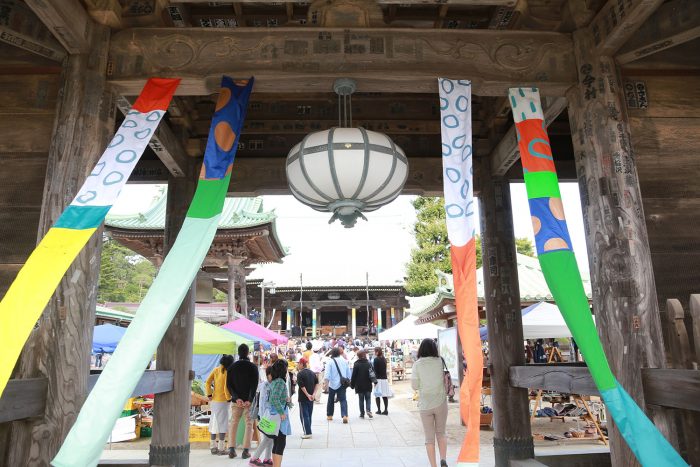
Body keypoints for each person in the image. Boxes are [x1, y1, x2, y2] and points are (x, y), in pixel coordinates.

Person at [411, 339, 449, 467]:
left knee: (429, 438)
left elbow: (414, 386)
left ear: (421, 349)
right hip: (441, 402)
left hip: (425, 404)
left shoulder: (417, 364)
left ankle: (434, 465)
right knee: (441, 433)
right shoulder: (440, 361)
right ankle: (443, 459)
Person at [226, 344, 259, 459]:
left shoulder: (231, 367)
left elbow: (229, 386)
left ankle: (231, 448)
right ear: (248, 352)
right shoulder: (253, 367)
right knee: (249, 424)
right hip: (248, 402)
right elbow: (254, 385)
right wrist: (249, 399)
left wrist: (236, 397)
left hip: (236, 401)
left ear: (238, 353)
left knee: (234, 423)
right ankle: (245, 450)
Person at [205, 354, 233, 455]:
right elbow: (226, 388)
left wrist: (209, 394)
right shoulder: (228, 372)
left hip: (214, 400)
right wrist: (229, 398)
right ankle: (221, 448)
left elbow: (207, 382)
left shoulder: (216, 370)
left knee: (214, 422)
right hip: (223, 402)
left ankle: (212, 446)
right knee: (223, 424)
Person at [268, 359, 292, 467]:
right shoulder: (280, 382)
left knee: (276, 442)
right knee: (281, 443)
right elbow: (274, 399)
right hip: (279, 416)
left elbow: (275, 397)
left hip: (274, 415)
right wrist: (282, 413)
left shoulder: (274, 381)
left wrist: (286, 399)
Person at [249, 367, 274, 466]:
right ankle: (254, 458)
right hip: (266, 416)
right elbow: (265, 403)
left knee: (269, 438)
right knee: (268, 438)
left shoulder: (266, 385)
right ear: (268, 374)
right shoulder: (266, 386)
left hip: (265, 415)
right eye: (272, 374)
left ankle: (267, 459)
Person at [324, 347, 350, 423]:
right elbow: (348, 373)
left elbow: (327, 374)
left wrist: (326, 385)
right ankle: (344, 415)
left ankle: (330, 415)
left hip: (332, 384)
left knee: (331, 400)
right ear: (339, 353)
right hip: (342, 383)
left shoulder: (330, 362)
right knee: (343, 400)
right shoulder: (344, 361)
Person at [296, 357, 318, 438]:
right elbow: (317, 383)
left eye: (298, 363)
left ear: (302, 364)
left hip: (303, 398)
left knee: (304, 415)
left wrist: (307, 394)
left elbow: (302, 386)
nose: (298, 365)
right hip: (311, 397)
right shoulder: (312, 373)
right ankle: (308, 430)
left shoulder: (300, 374)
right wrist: (313, 394)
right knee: (309, 414)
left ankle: (307, 432)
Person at [350, 350, 374, 419]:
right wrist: (374, 381)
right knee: (368, 398)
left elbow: (354, 375)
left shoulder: (356, 364)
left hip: (359, 385)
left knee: (361, 399)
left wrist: (352, 385)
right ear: (364, 355)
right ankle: (368, 410)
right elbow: (372, 373)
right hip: (368, 384)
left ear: (358, 356)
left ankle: (362, 413)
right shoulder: (369, 363)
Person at [373, 347, 393, 415]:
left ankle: (379, 410)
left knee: (377, 395)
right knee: (385, 395)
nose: (374, 353)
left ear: (377, 352)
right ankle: (386, 410)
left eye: (375, 351)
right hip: (384, 379)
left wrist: (374, 381)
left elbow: (375, 371)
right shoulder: (384, 359)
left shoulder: (376, 359)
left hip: (378, 379)